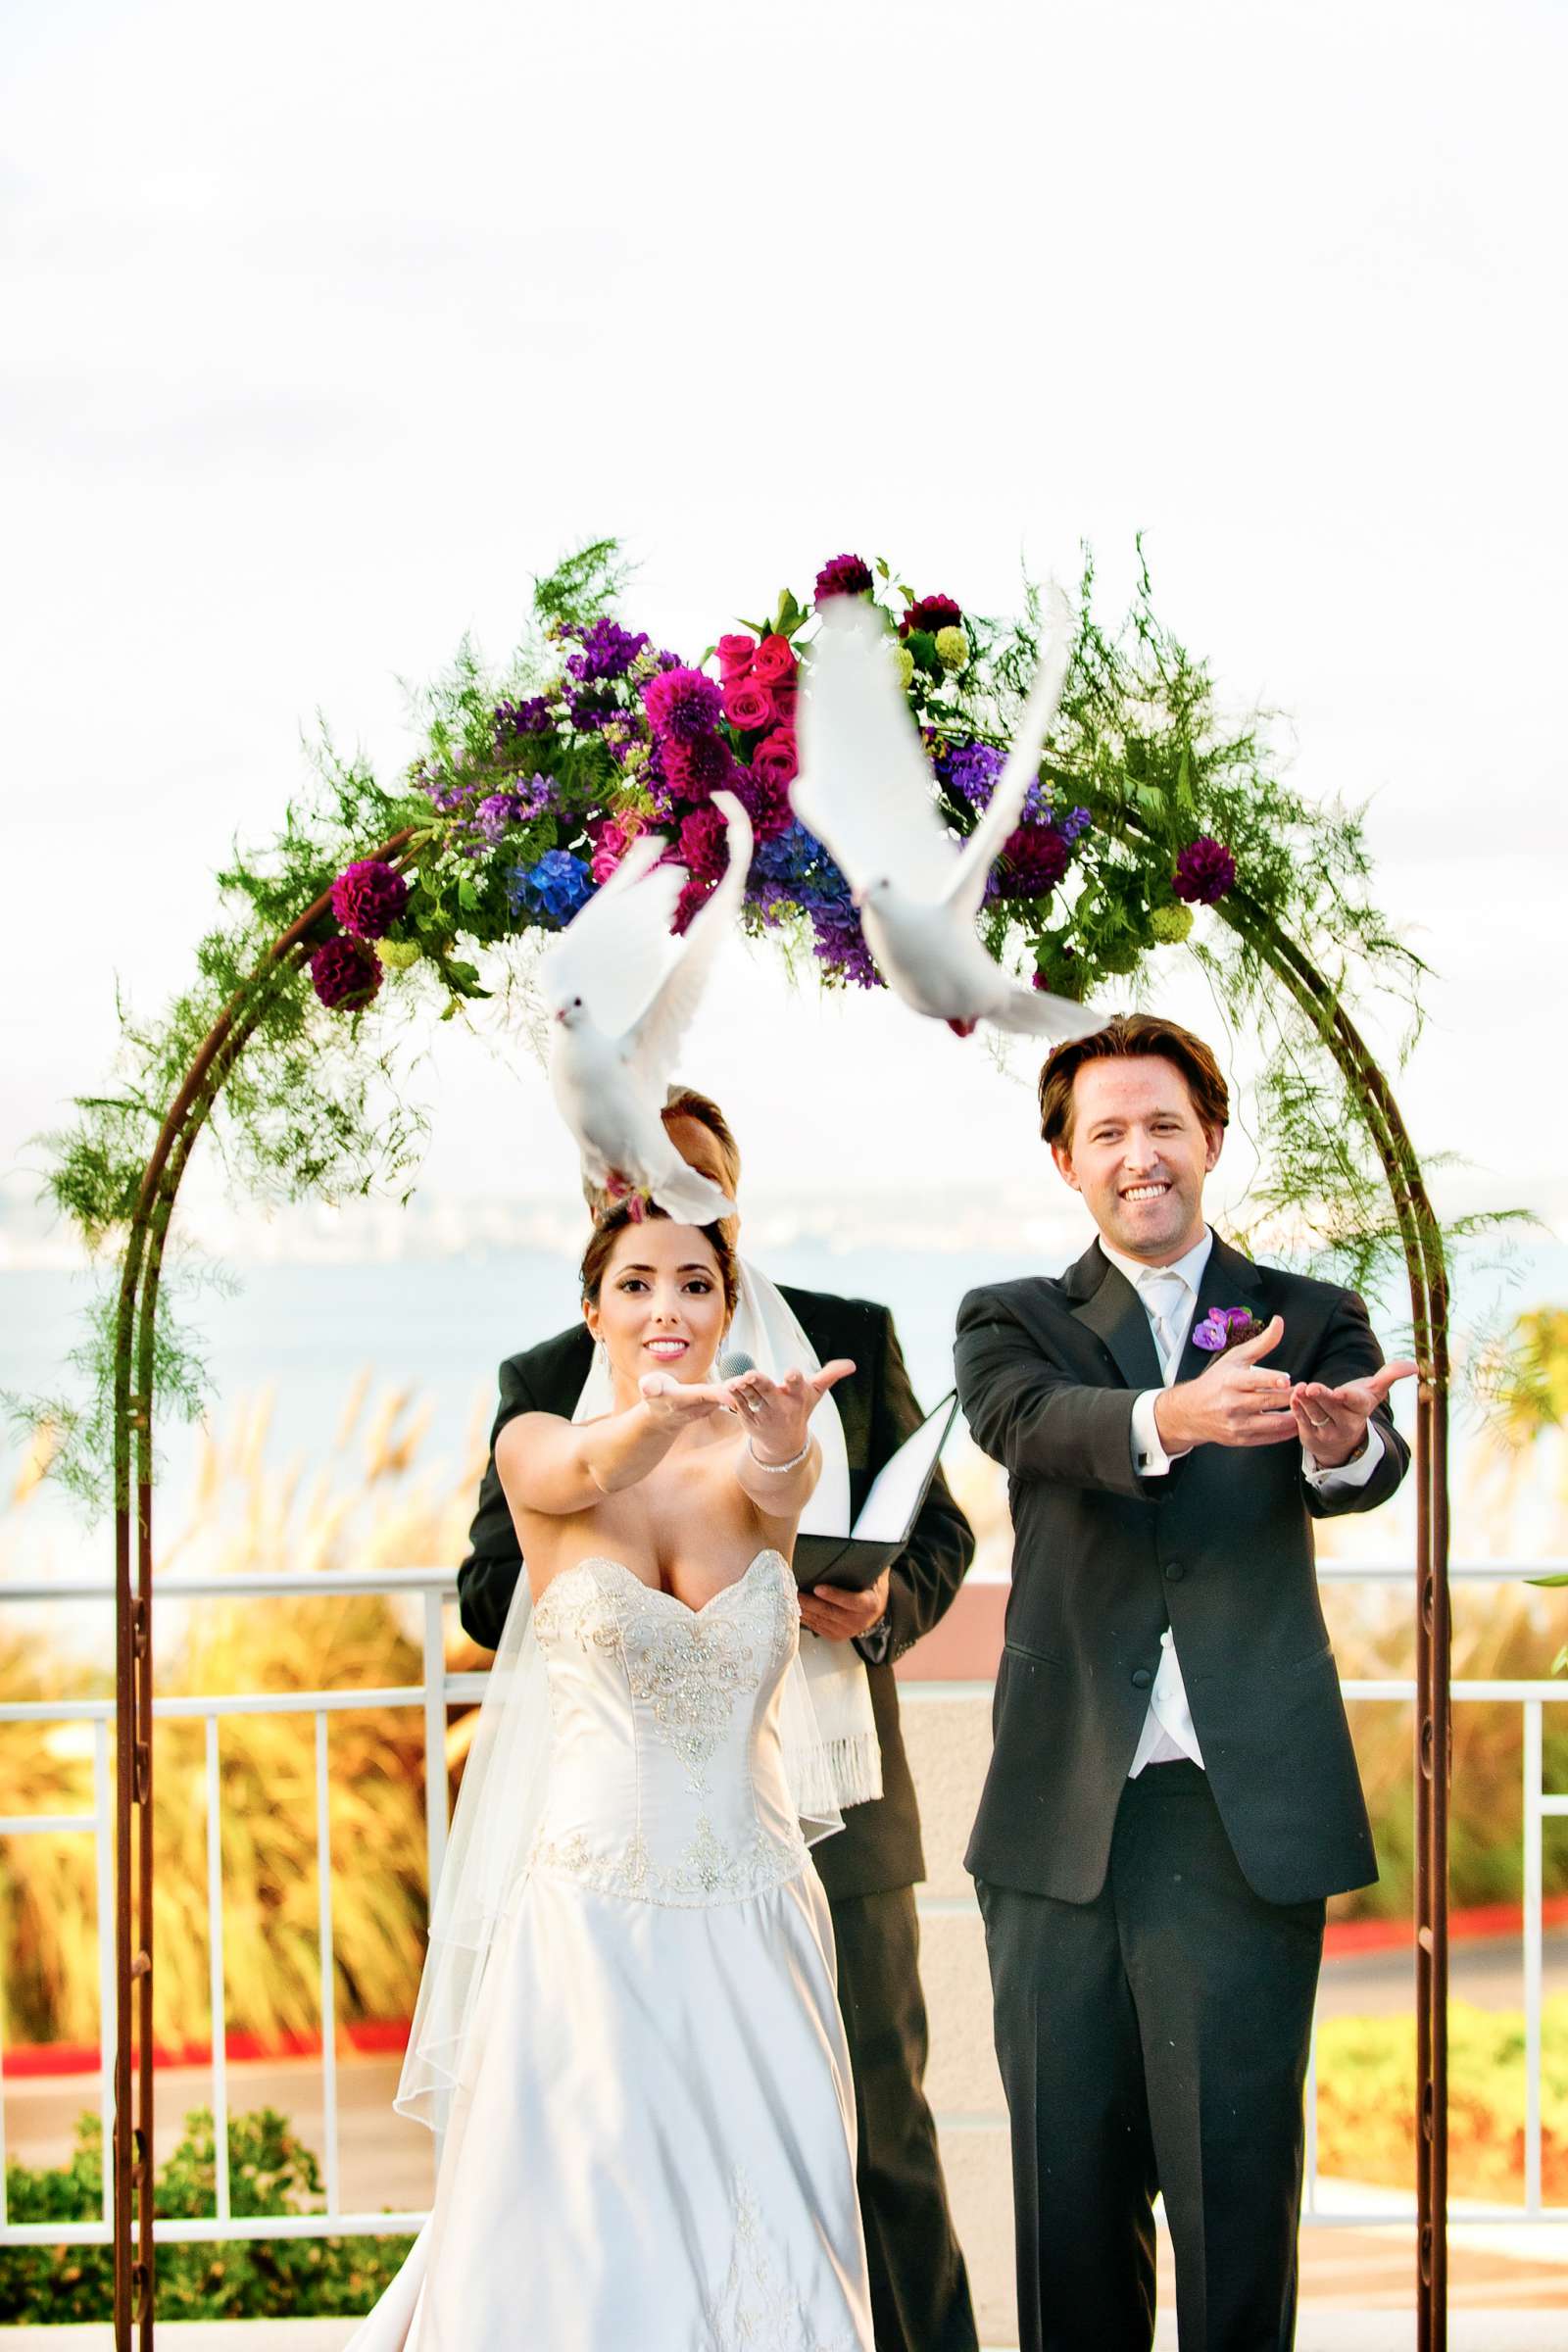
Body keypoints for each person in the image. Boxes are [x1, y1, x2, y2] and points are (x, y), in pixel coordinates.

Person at [459, 1086, 979, 2352]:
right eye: (633, 1230)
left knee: (875, 2141)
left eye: (693, 1221)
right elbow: (496, 1580)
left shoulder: (840, 1343)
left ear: (732, 1216)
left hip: (803, 1837)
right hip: (602, 1870)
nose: (665, 1283)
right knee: (604, 2178)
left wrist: (874, 1597)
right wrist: (653, 1429)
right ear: (599, 1256)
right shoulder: (541, 1396)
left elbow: (908, 1520)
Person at [954, 1012, 1415, 2352]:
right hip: (1057, 1833)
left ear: (1210, 1139)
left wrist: (1336, 1445)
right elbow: (1021, 1425)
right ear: (1066, 1163)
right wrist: (1173, 1416)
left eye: (1164, 1125)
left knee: (1236, 2217)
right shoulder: (1013, 1321)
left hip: (1238, 1827)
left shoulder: (1308, 1316)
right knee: (1068, 2223)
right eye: (1108, 1133)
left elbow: (1369, 1462)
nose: (1140, 1155)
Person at [350, 1201, 873, 2347]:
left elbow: (783, 1489)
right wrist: (654, 1415)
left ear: (727, 1306)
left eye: (694, 1283)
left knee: (778, 2226)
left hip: (756, 1908)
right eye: (634, 1284)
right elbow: (592, 1461)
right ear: (593, 1311)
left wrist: (783, 1438)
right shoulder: (536, 1442)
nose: (666, 1307)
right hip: (590, 1921)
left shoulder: (760, 1454)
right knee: (593, 2231)